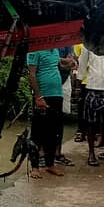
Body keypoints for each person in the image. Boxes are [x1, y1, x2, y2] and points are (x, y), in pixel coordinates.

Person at [26, 48, 76, 178]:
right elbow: (31, 74)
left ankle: (50, 164)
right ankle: (35, 167)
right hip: (43, 96)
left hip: (57, 94)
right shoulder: (35, 50)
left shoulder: (55, 51)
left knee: (53, 132)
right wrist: (38, 97)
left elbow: (58, 63)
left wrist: (69, 63)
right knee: (38, 132)